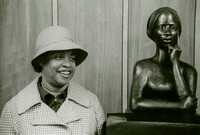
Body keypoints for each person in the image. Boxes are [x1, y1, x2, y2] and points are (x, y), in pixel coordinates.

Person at [0, 26, 105, 134]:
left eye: (72, 59)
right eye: (59, 57)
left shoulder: (92, 103)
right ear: (41, 61)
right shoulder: (13, 110)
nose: (68, 64)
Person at [130, 7, 197, 115]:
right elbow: (135, 104)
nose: (167, 33)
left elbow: (190, 108)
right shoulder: (143, 67)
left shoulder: (189, 71)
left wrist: (175, 64)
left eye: (173, 27)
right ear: (151, 32)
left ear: (179, 32)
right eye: (162, 27)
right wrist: (180, 106)